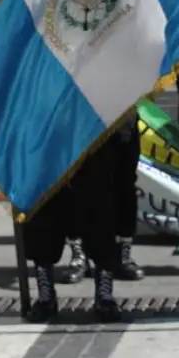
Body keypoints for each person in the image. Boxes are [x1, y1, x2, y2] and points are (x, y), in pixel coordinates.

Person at [23, 119, 142, 323]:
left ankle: (104, 292)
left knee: (101, 202)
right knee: (42, 203)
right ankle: (46, 293)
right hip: (45, 120)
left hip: (95, 121)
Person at [59, 119, 144, 285]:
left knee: (124, 183)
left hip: (119, 111)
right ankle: (79, 253)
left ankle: (122, 253)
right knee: (74, 183)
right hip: (76, 114)